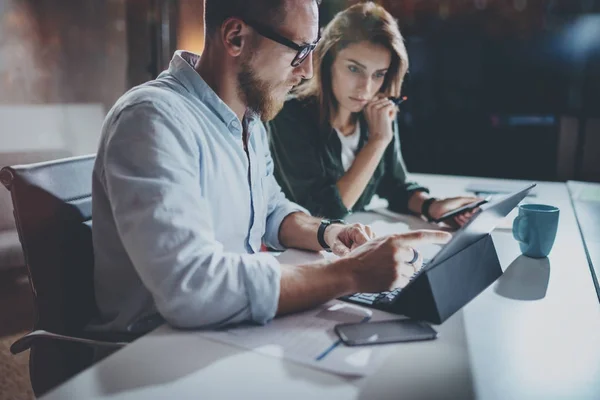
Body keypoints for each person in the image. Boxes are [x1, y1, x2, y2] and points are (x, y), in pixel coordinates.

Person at [91, 0, 451, 335]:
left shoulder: (250, 120)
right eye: (300, 50)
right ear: (236, 37)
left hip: (227, 327)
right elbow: (194, 288)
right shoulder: (153, 119)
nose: (308, 71)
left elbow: (271, 210)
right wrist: (350, 273)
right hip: (155, 346)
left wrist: (329, 232)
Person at [268, 2, 480, 226]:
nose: (366, 89)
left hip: (355, 238)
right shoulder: (289, 116)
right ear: (328, 62)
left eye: (378, 74)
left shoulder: (376, 110)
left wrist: (432, 206)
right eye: (354, 69)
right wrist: (378, 141)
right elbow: (323, 212)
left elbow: (395, 185)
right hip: (299, 251)